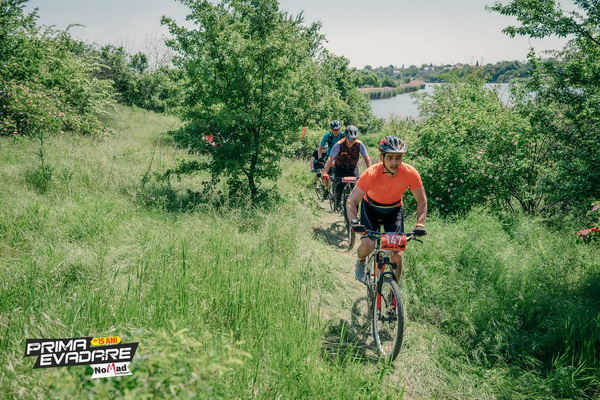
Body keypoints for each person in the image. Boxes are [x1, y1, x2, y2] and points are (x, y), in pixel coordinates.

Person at [346, 136, 428, 284]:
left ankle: (393, 292)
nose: (395, 162)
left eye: (398, 158)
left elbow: (422, 201)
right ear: (381, 158)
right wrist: (354, 221)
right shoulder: (371, 173)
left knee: (397, 255)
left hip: (394, 211)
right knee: (368, 246)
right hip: (371, 208)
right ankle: (361, 260)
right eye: (390, 157)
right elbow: (351, 201)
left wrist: (420, 224)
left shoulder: (410, 173)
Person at [322, 125, 371, 209]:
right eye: (350, 138)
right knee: (339, 186)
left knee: (356, 188)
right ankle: (337, 201)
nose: (352, 140)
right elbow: (330, 159)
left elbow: (367, 159)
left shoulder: (359, 144)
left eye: (354, 138)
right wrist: (325, 173)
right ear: (345, 137)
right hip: (340, 168)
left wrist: (370, 172)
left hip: (353, 168)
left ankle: (355, 207)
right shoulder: (339, 145)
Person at [318, 120, 345, 199]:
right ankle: (326, 190)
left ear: (340, 129)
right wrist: (320, 158)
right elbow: (320, 148)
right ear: (331, 129)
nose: (335, 131)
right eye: (333, 130)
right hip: (330, 156)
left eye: (337, 129)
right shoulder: (327, 135)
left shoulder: (343, 135)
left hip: (340, 156)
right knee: (326, 174)